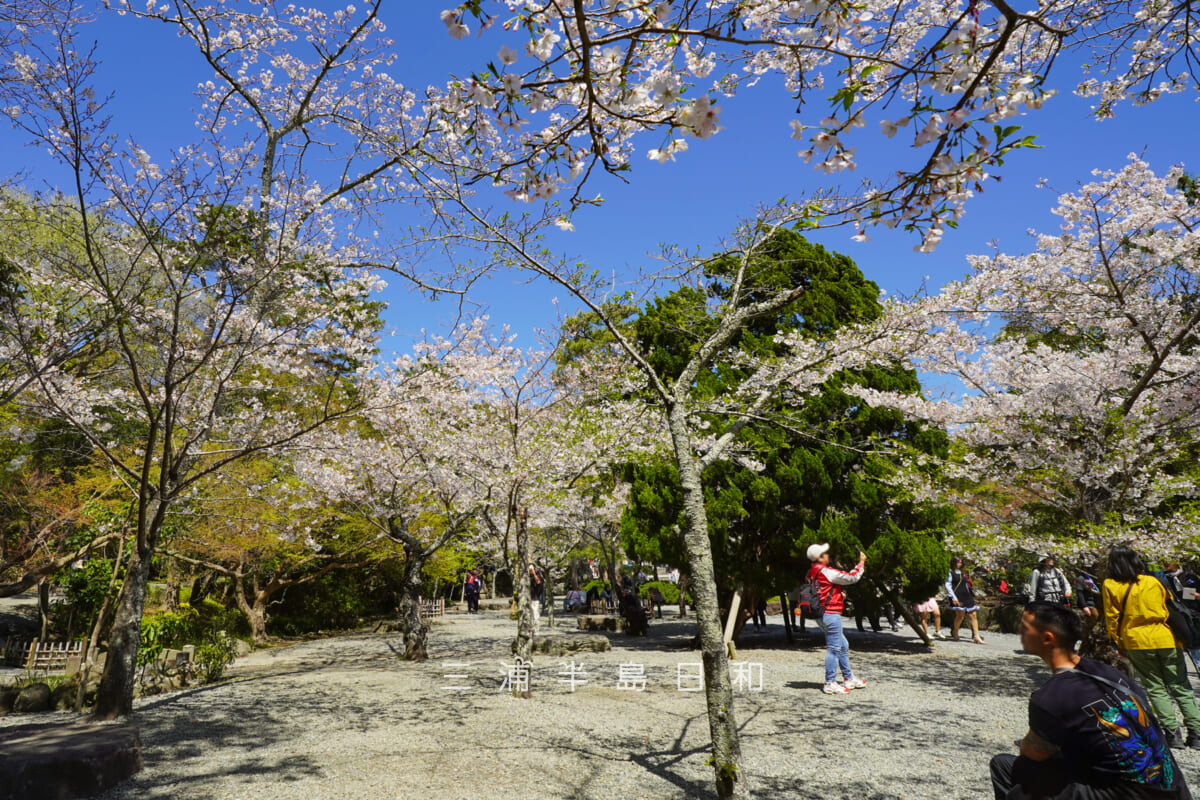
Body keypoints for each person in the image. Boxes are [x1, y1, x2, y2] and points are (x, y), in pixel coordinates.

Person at [990, 601, 1192, 800]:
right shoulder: (1110, 674)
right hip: (1171, 787)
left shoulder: (1052, 696)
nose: (1020, 633)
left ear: (1047, 638)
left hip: (1127, 793)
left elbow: (1033, 753)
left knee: (1010, 770)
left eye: (1025, 628)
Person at [1102, 544, 1200, 749]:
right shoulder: (1154, 581)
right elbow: (1171, 607)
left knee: (1155, 687)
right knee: (1180, 684)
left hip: (1136, 640)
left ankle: (1173, 735)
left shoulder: (1110, 584)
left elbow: (1112, 618)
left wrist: (1117, 642)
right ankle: (1196, 733)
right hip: (1165, 637)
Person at [806, 542, 867, 694]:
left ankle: (848, 678)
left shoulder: (811, 573)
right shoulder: (826, 571)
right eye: (825, 553)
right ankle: (830, 682)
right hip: (831, 613)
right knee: (834, 649)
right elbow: (852, 577)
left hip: (820, 614)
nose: (828, 555)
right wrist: (861, 563)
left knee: (843, 645)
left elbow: (821, 591)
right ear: (820, 558)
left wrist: (838, 594)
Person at [947, 557, 986, 644]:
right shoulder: (950, 573)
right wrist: (953, 597)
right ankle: (955, 631)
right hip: (957, 595)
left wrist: (969, 594)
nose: (959, 564)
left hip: (966, 595)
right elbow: (948, 586)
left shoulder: (962, 573)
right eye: (958, 562)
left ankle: (976, 636)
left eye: (960, 562)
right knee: (960, 616)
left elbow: (965, 585)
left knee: (973, 614)